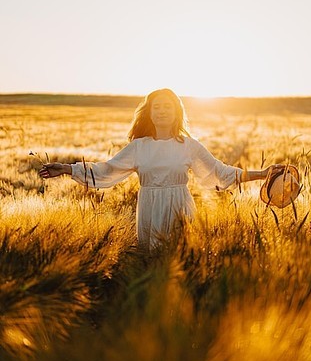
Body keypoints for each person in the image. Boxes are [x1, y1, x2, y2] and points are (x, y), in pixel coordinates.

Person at [39, 88, 279, 250]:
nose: (162, 111)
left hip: (179, 210)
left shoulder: (189, 146)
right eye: (157, 107)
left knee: (177, 263)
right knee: (151, 264)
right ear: (150, 113)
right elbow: (105, 171)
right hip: (149, 209)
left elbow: (221, 172)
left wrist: (263, 173)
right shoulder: (138, 147)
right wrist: (66, 169)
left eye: (168, 107)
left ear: (177, 113)